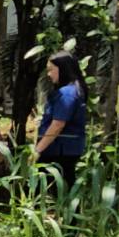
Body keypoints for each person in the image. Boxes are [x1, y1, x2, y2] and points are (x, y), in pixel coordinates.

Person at [35, 50, 88, 185]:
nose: (49, 74)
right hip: (67, 149)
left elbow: (58, 124)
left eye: (51, 70)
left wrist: (38, 150)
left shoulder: (67, 94)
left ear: (63, 69)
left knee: (50, 186)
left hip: (59, 150)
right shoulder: (74, 90)